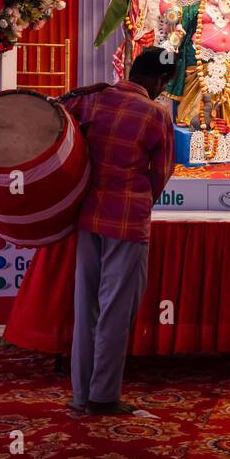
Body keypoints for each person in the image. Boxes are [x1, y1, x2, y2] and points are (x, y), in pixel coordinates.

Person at [58, 47, 175, 416]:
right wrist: (143, 198)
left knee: (86, 308)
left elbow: (50, 116)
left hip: (89, 216)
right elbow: (161, 174)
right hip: (127, 221)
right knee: (115, 311)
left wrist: (79, 92)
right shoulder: (155, 115)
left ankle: (81, 395)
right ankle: (103, 397)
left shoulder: (92, 101)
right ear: (158, 82)